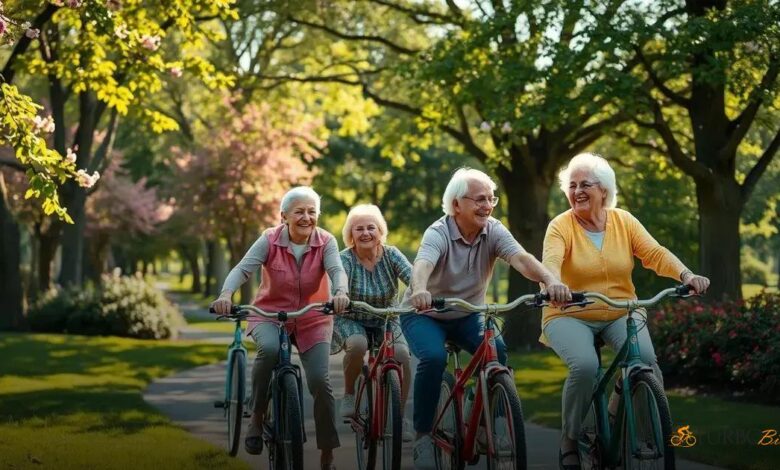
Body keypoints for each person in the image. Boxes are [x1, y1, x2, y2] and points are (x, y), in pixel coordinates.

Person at [541, 153, 710, 470]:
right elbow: (550, 261)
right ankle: (569, 439)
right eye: (572, 185)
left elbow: (655, 253)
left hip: (621, 309)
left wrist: (686, 275)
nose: (577, 191)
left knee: (644, 361)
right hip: (569, 311)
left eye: (585, 184)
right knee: (585, 365)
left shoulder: (623, 221)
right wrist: (553, 284)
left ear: (603, 190)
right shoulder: (560, 226)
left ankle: (628, 420)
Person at [402, 167, 571, 470]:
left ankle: (479, 422)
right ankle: (424, 436)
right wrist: (419, 290)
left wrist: (548, 280)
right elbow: (423, 263)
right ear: (456, 204)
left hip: (468, 314)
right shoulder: (438, 231)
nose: (487, 205)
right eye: (479, 199)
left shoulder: (493, 229)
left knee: (498, 354)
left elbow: (520, 258)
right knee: (433, 357)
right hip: (425, 313)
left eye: (491, 199)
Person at [210, 186, 349, 470]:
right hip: (269, 314)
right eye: (299, 211)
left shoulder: (326, 241)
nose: (306, 217)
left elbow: (336, 271)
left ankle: (327, 453)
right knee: (270, 349)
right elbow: (243, 269)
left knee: (321, 383)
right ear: (284, 215)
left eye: (312, 212)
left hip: (313, 317)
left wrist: (341, 293)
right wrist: (226, 294)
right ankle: (257, 419)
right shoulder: (269, 239)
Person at [333, 204, 415, 441]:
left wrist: (420, 291)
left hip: (387, 318)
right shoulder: (344, 258)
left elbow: (412, 276)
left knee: (402, 355)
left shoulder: (392, 254)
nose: (366, 233)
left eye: (371, 227)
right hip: (352, 317)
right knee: (358, 345)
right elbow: (338, 282)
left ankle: (398, 416)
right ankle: (349, 394)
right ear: (351, 234)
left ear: (380, 231)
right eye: (359, 229)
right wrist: (339, 296)